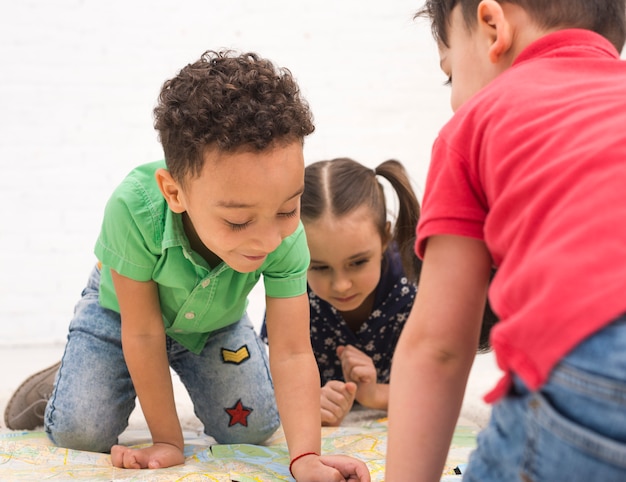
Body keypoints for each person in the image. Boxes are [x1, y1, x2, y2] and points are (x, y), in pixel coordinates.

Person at [4, 49, 370, 481]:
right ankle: (58, 383)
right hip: (123, 316)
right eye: (237, 221)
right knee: (81, 431)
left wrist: (306, 456)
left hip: (215, 323)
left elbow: (291, 350)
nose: (270, 238)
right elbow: (141, 332)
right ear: (174, 192)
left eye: (289, 209)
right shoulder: (133, 209)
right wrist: (167, 440)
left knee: (253, 430)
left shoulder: (286, 237)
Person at [386, 1, 626, 481]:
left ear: (493, 26)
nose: (455, 98)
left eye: (451, 75)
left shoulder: (475, 123)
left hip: (595, 371)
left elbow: (438, 347)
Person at [260, 157, 497, 426]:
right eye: (320, 267)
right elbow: (270, 381)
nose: (341, 285)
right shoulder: (291, 284)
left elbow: (442, 391)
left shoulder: (416, 288)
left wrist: (375, 395)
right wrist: (307, 398)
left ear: (386, 237)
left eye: (358, 262)